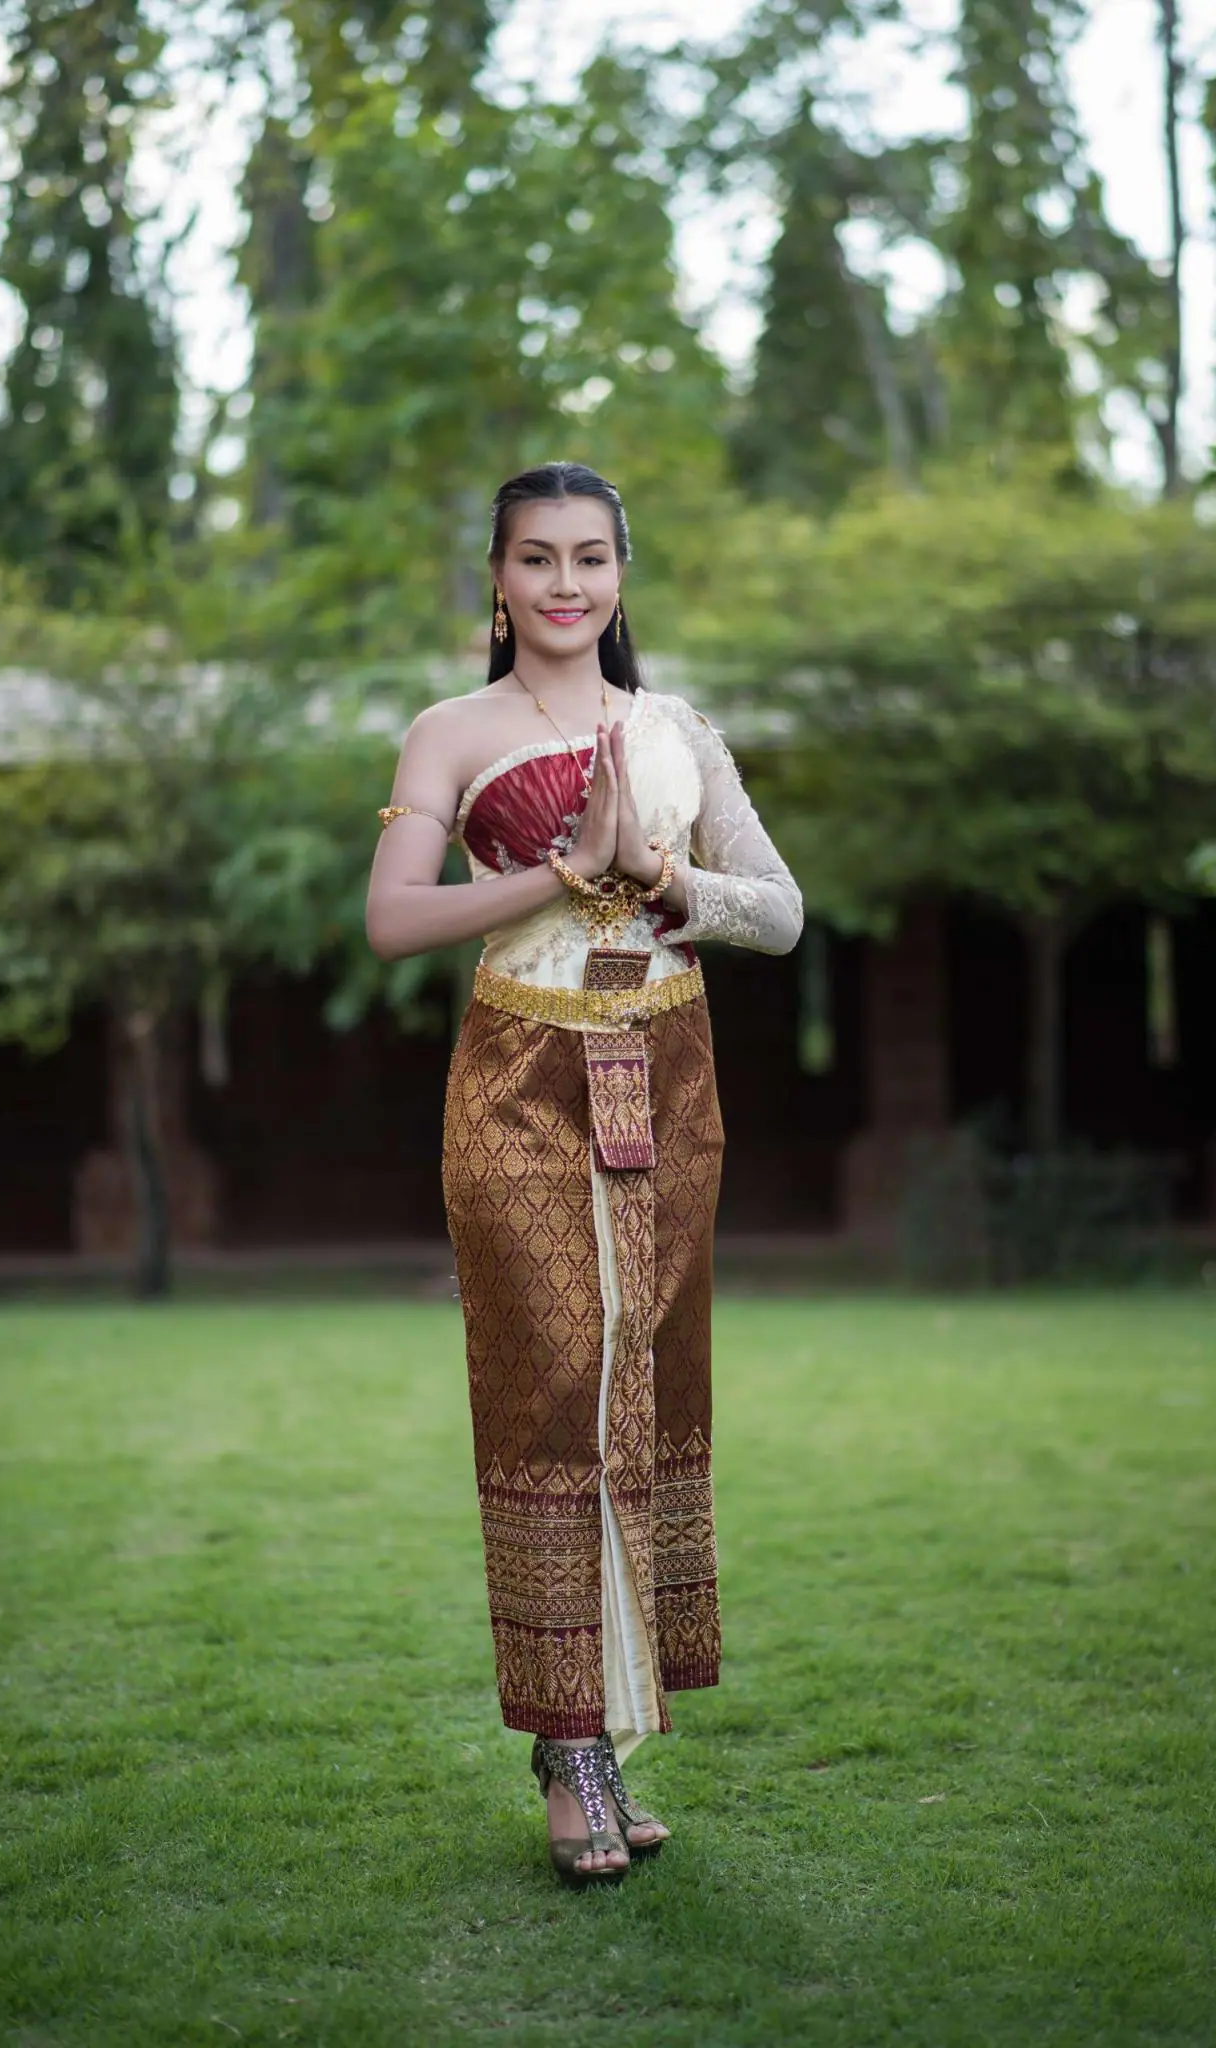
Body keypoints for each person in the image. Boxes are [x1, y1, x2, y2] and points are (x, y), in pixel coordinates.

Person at [366, 461, 803, 1887]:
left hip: (668, 1076)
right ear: (493, 579)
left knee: (646, 1385)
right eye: (536, 560)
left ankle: (613, 1737)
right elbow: (393, 921)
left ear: (623, 575)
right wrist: (558, 874)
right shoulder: (451, 731)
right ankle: (567, 1756)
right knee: (554, 1385)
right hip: (518, 1082)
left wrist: (667, 883)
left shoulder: (674, 730)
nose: (566, 586)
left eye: (591, 560)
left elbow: (781, 915)